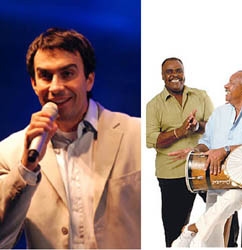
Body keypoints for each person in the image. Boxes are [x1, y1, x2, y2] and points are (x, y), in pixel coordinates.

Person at [0, 28, 140, 249]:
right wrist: (26, 169)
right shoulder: (9, 152)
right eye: (45, 76)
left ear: (89, 79)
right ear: (34, 84)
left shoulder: (137, 135)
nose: (56, 87)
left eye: (67, 74)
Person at [168, 70, 242, 247]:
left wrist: (226, 150)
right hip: (217, 177)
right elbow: (206, 143)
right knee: (215, 212)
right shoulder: (219, 113)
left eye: (231, 83)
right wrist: (195, 151)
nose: (226, 86)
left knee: (230, 198)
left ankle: (192, 229)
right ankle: (198, 236)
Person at [146, 57, 235, 247]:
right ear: (162, 76)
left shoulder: (200, 96)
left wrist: (197, 126)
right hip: (172, 173)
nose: (175, 75)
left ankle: (231, 246)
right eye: (169, 72)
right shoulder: (153, 105)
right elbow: (153, 140)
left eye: (178, 70)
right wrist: (180, 131)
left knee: (227, 217)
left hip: (203, 167)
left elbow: (216, 128)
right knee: (174, 231)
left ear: (184, 73)